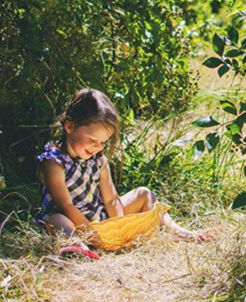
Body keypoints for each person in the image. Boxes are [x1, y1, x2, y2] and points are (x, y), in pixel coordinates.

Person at [36, 88, 213, 245]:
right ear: (69, 126)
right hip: (73, 222)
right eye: (91, 140)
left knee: (144, 193)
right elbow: (66, 205)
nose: (96, 146)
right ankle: (76, 246)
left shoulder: (98, 160)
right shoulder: (54, 163)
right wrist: (92, 234)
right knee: (56, 220)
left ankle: (176, 231)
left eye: (102, 142)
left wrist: (119, 228)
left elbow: (111, 200)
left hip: (100, 219)